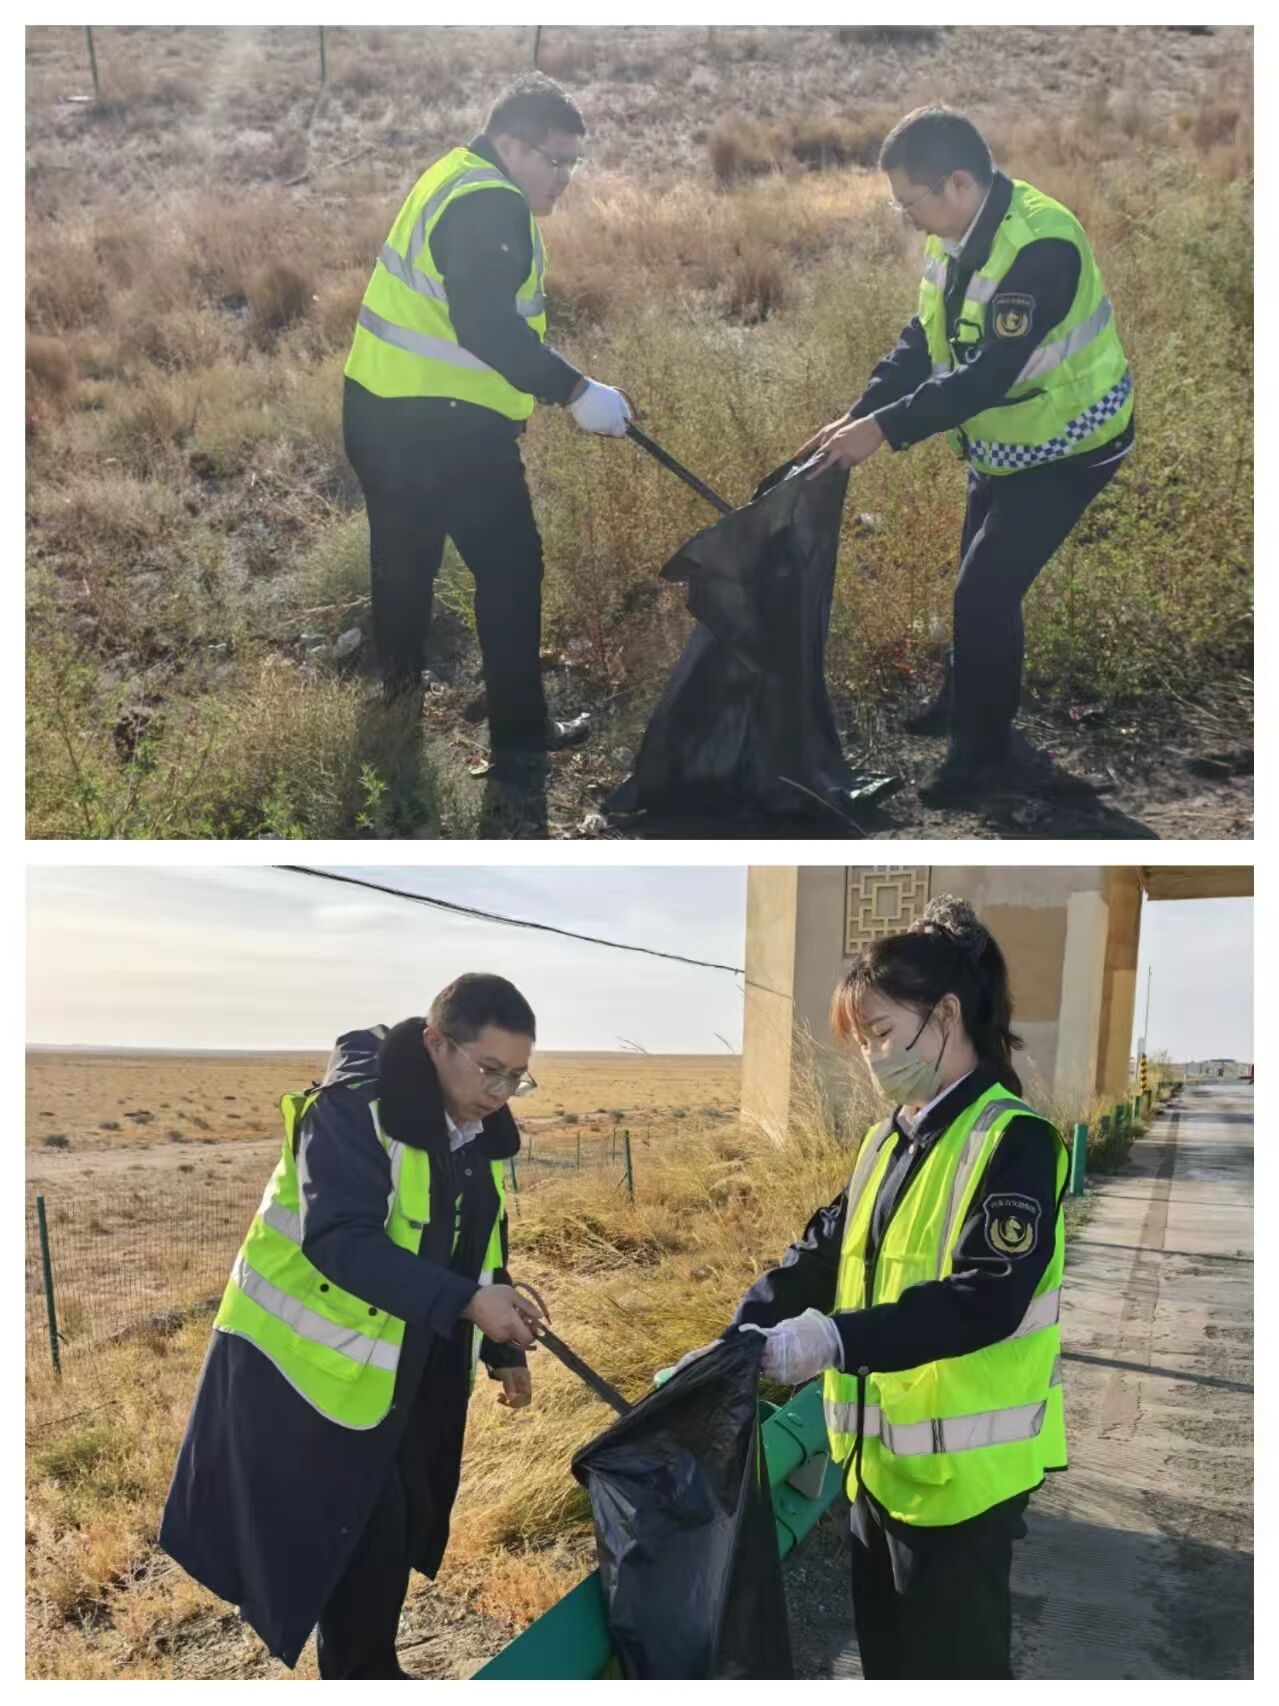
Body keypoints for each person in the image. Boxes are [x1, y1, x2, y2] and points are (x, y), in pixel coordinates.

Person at [671, 896, 1068, 1679]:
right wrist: (732, 1340)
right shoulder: (890, 1138)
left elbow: (984, 1300)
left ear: (945, 1015)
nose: (871, 1059)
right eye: (861, 1043)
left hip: (962, 1486)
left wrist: (832, 1340)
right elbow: (819, 1253)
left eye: (881, 1034)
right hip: (876, 1469)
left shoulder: (1013, 1140)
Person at [160, 974, 547, 1679]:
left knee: (389, 1532)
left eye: (517, 1079)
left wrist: (501, 1348)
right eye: (490, 1070)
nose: (500, 1092)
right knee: (350, 1543)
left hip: (393, 1375)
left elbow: (479, 1245)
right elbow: (339, 1240)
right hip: (300, 1378)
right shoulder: (352, 1113)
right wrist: (467, 1305)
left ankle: (370, 1668)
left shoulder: (476, 1130)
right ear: (436, 1043)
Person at [799, 106, 1134, 805]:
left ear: (957, 183)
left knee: (984, 591)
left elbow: (986, 374)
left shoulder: (1040, 248)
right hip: (1004, 445)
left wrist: (883, 432)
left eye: (908, 204)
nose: (906, 219)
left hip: (1071, 444)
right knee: (974, 584)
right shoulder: (957, 232)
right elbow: (923, 339)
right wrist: (860, 412)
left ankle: (981, 759)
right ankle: (966, 703)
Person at [342, 73, 634, 760]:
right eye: (554, 161)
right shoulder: (490, 202)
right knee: (509, 569)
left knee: (403, 566)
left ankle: (397, 716)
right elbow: (485, 326)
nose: (564, 178)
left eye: (573, 163)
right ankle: (520, 742)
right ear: (510, 143)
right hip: (449, 428)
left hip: (377, 410)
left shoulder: (454, 172)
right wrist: (574, 391)